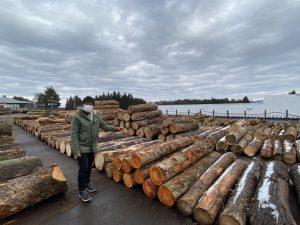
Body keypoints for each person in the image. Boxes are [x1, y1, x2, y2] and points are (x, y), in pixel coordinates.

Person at [71, 96, 120, 202]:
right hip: (81, 147)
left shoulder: (96, 116)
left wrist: (115, 129)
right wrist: (76, 150)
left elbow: (104, 126)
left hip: (92, 147)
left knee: (88, 167)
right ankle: (82, 190)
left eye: (91, 104)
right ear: (82, 105)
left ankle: (87, 183)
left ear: (93, 106)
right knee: (83, 168)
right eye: (86, 103)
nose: (89, 106)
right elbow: (74, 134)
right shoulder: (77, 117)